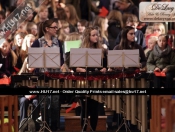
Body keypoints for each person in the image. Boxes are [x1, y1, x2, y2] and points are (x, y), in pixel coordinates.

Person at [31, 19, 64, 131]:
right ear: (47, 29)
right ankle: (45, 127)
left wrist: (63, 67)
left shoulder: (58, 42)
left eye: (56, 27)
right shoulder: (37, 43)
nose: (56, 29)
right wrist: (42, 53)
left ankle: (55, 127)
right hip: (43, 76)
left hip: (55, 76)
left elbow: (61, 60)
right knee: (44, 102)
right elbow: (33, 62)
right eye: (54, 27)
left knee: (55, 102)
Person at [75, 26, 107, 131]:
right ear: (87, 36)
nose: (96, 37)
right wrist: (78, 69)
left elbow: (105, 65)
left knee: (94, 109)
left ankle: (93, 129)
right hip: (84, 82)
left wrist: (105, 69)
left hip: (96, 81)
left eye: (97, 34)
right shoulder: (80, 50)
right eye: (93, 35)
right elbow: (74, 67)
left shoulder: (102, 50)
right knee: (84, 109)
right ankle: (83, 130)